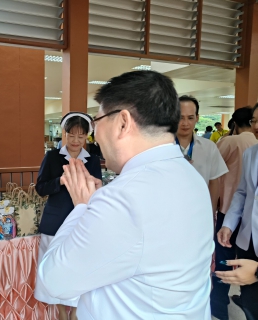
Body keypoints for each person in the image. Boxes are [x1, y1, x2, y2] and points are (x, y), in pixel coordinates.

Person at [38, 71, 214, 319]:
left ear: (123, 122)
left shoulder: (122, 197)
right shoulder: (191, 176)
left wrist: (82, 208)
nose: (94, 135)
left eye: (97, 122)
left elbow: (53, 280)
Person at [34, 112, 102, 320]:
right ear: (64, 134)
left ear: (87, 137)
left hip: (81, 222)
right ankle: (62, 312)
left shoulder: (92, 160)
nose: (75, 141)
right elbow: (40, 188)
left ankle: (74, 312)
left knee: (78, 267)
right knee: (53, 266)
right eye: (71, 135)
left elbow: (97, 191)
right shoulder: (52, 157)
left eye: (80, 137)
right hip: (55, 221)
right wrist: (60, 181)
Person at [210, 107, 257, 320]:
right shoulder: (251, 153)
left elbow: (214, 168)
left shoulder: (228, 142)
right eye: (254, 121)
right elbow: (243, 192)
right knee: (250, 299)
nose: (256, 127)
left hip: (224, 207)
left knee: (226, 263)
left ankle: (220, 305)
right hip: (247, 235)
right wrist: (228, 223)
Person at [175, 95, 228, 216]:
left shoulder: (209, 147)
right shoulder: (162, 146)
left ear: (197, 118)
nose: (185, 123)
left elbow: (214, 182)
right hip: (170, 210)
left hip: (199, 210)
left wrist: (211, 213)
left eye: (190, 118)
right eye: (180, 118)